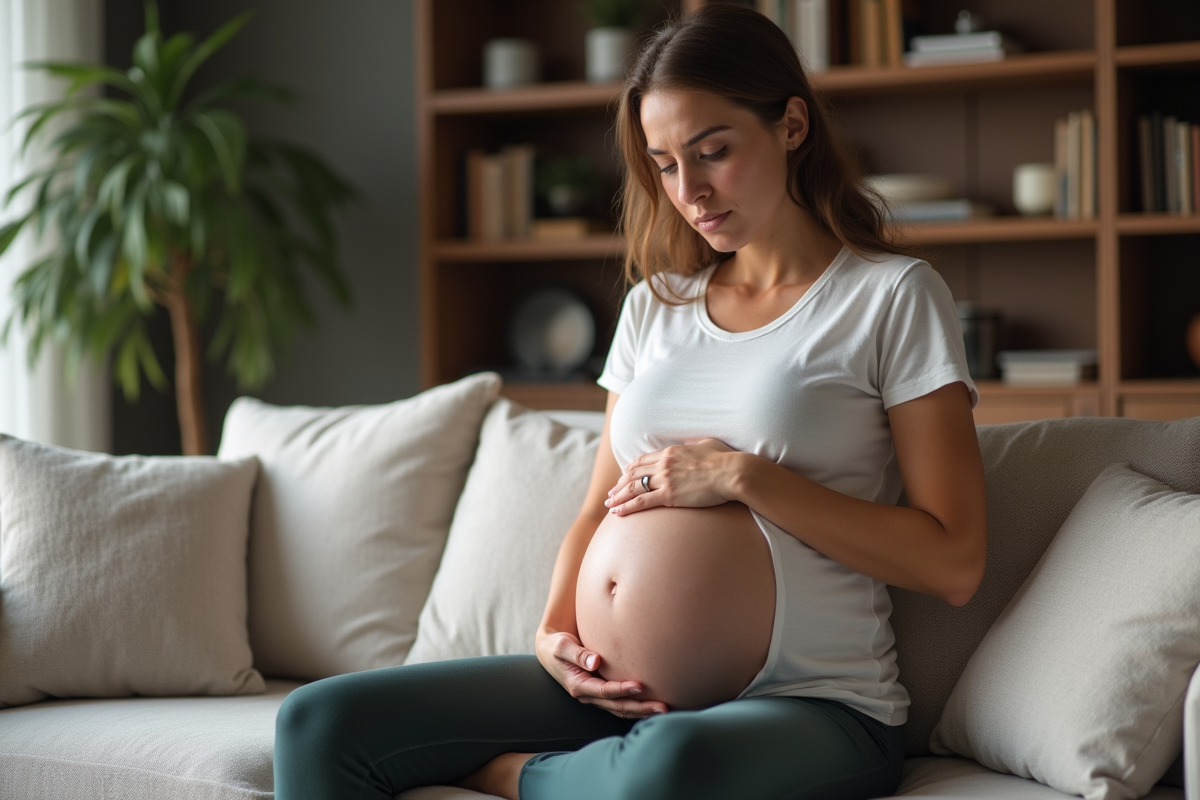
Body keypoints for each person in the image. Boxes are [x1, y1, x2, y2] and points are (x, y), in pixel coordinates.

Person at [272, 5, 987, 800]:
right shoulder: (656, 305)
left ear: (791, 126)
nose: (691, 191)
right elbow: (594, 509)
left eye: (713, 152)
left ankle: (521, 780)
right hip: (608, 697)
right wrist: (554, 633)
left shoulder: (890, 297)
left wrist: (745, 478)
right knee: (320, 722)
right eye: (665, 164)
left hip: (810, 706)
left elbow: (952, 560)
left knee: (672, 765)